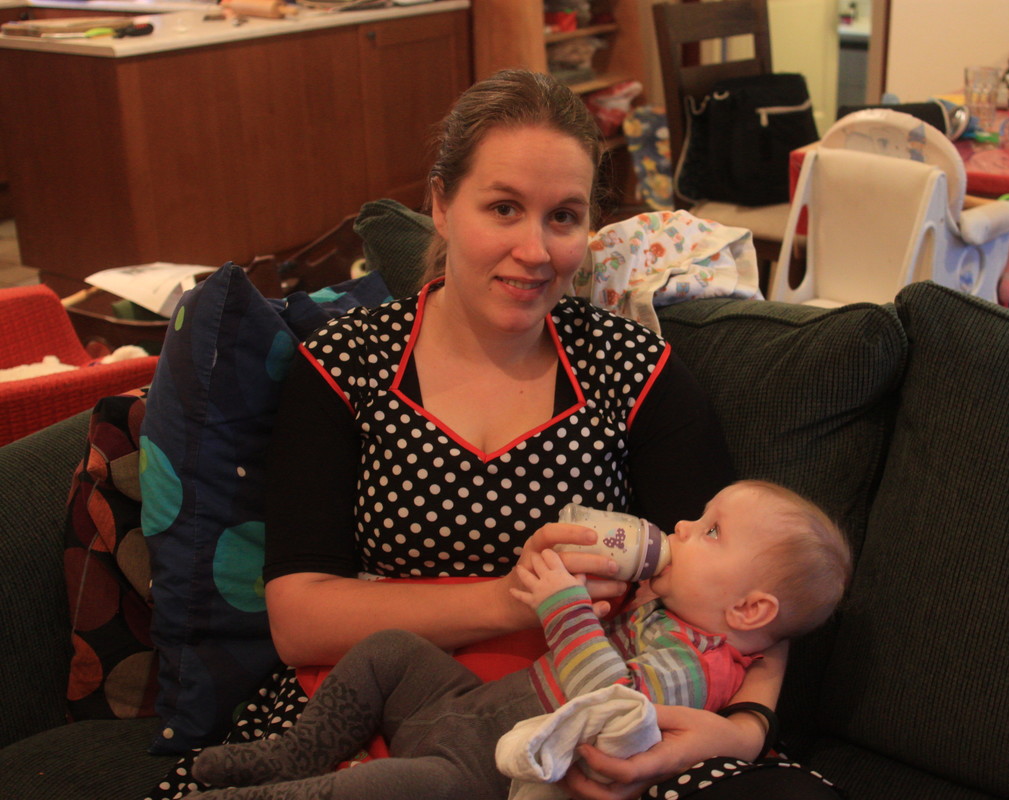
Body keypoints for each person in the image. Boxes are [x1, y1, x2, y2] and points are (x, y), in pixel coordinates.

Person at [146, 68, 791, 800]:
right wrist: (510, 599)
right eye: (505, 208)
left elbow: (757, 584)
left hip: (580, 719)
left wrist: (744, 726)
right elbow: (299, 618)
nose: (536, 250)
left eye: (564, 217)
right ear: (442, 205)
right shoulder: (346, 366)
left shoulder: (634, 372)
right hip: (374, 704)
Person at [187, 481, 852, 799]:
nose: (680, 524)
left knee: (390, 791)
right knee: (390, 649)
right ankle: (294, 753)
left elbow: (609, 703)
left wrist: (566, 609)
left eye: (709, 531)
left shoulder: (701, 669)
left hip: (481, 771)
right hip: (471, 703)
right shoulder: (669, 612)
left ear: (749, 608)